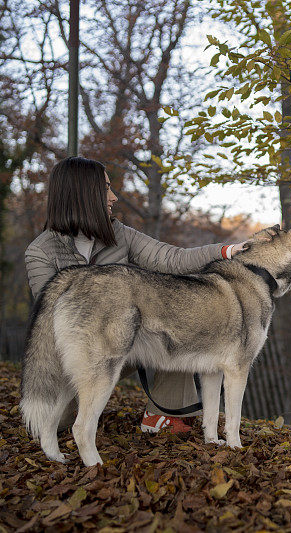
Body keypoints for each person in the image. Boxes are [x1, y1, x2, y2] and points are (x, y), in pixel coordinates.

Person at [24, 156, 247, 435]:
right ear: (82, 194)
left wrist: (226, 251)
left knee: (178, 322)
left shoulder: (120, 234)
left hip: (125, 340)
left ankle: (161, 415)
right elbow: (53, 320)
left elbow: (173, 259)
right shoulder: (40, 252)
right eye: (105, 188)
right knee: (53, 425)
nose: (113, 197)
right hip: (77, 356)